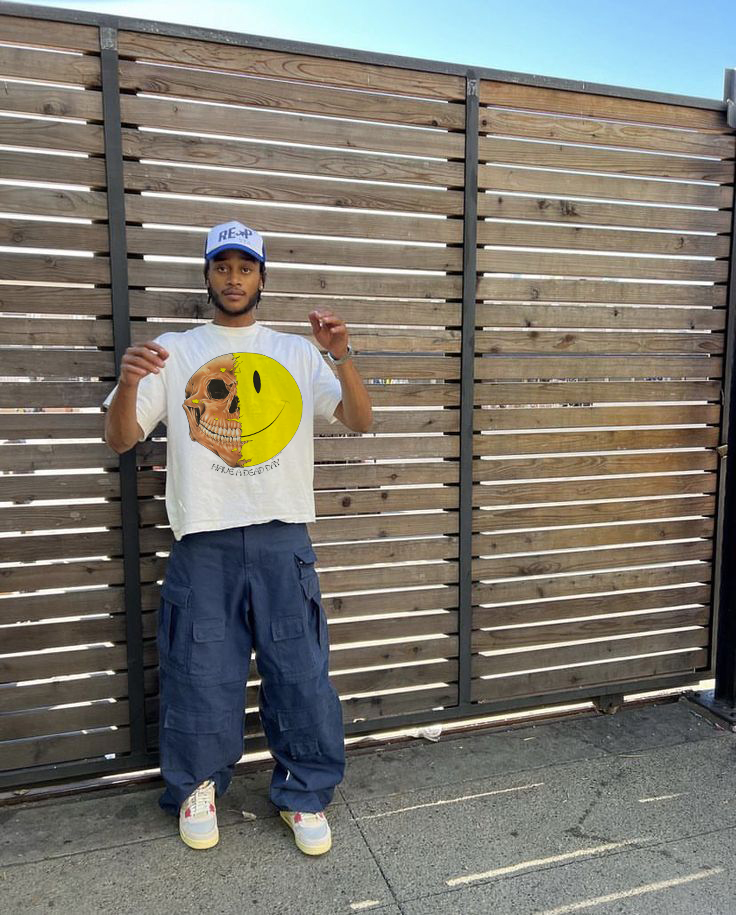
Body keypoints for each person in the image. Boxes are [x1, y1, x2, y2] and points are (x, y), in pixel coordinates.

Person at [103, 220, 372, 855]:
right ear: (207, 275)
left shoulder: (296, 352)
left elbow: (360, 420)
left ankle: (304, 793)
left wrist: (341, 354)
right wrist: (131, 383)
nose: (233, 278)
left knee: (300, 674)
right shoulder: (174, 351)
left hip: (282, 536)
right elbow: (120, 439)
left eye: (245, 268)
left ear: (261, 278)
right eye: (222, 267)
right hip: (204, 541)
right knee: (199, 673)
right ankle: (196, 786)